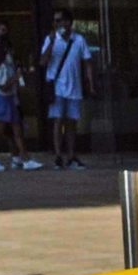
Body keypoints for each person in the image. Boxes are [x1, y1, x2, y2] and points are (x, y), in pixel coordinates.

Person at [0, 22, 41, 170]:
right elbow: (0, 83)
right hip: (0, 96)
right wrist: (15, 78)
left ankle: (24, 158)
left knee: (16, 128)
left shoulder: (5, 59)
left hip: (8, 96)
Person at [37, 9, 89, 169]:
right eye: (55, 21)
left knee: (72, 122)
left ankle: (71, 155)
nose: (57, 24)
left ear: (68, 22)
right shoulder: (51, 40)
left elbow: (87, 61)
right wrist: (52, 42)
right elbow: (43, 62)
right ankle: (58, 155)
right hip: (57, 87)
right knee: (58, 121)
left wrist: (90, 83)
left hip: (74, 87)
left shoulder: (78, 40)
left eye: (60, 20)